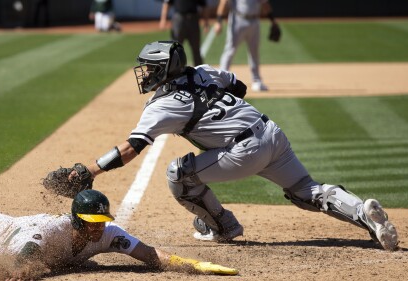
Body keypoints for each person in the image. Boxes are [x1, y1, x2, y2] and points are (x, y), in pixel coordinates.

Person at [68, 41, 398, 251]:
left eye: (151, 68)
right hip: (270, 131)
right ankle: (363, 212)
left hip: (244, 151)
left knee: (178, 174)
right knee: (305, 190)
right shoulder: (202, 72)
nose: (146, 74)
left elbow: (132, 147)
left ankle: (222, 226)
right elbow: (237, 85)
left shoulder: (163, 105)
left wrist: (91, 169)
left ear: (164, 70)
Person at [0, 188, 238, 280]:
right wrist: (25, 272)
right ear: (76, 220)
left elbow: (147, 254)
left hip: (29, 227)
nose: (98, 227)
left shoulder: (108, 233)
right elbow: (24, 258)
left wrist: (191, 264)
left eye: (101, 220)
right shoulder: (47, 233)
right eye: (91, 221)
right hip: (8, 234)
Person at [214, 0, 278, 92]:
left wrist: (272, 21)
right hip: (238, 19)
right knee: (230, 50)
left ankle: (256, 81)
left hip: (254, 21)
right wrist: (219, 21)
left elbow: (264, 3)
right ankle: (221, 81)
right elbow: (224, 2)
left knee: (254, 51)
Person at [159, 0, 209, 66]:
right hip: (179, 18)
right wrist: (163, 19)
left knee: (196, 48)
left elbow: (204, 5)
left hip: (193, 19)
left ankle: (199, 71)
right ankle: (172, 70)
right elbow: (166, 3)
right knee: (174, 48)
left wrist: (206, 23)